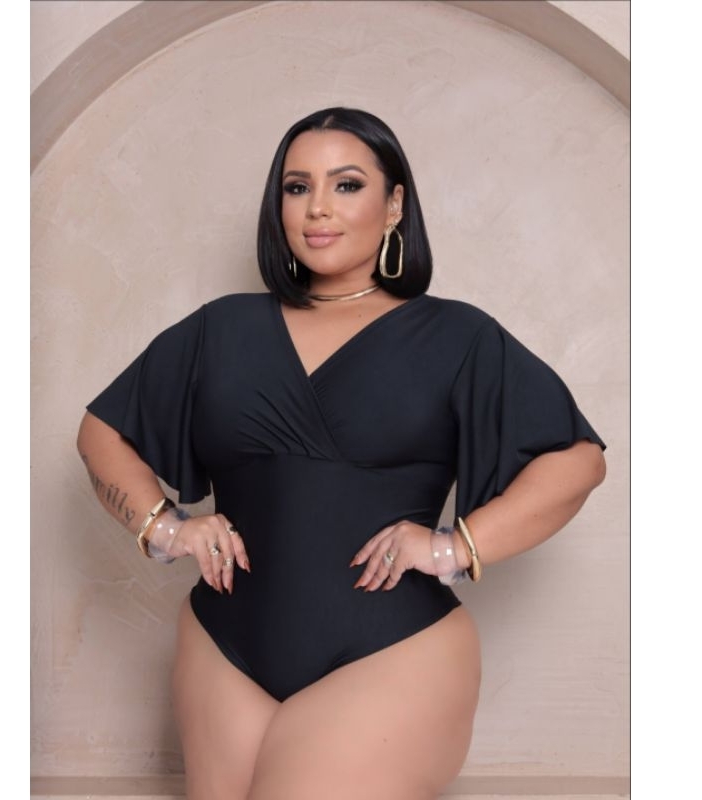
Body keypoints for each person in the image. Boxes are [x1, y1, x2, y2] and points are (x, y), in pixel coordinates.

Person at [76, 107, 606, 800]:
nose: (317, 207)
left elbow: (577, 461)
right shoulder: (220, 329)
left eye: (346, 184)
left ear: (395, 205)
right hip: (224, 646)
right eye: (297, 187)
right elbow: (101, 432)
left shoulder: (457, 337)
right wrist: (166, 528)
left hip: (393, 650)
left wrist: (455, 547)